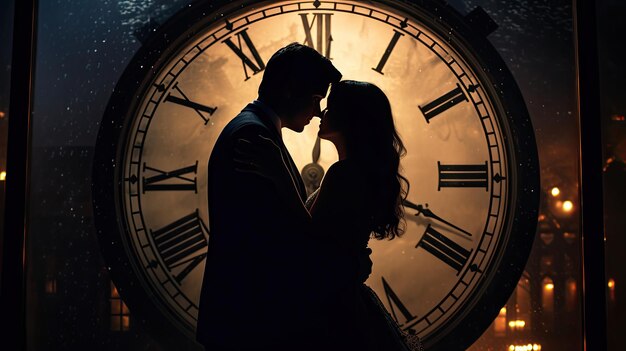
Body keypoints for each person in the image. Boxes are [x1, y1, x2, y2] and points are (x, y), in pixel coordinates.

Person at [236, 80, 423, 350]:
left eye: (331, 107)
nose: (321, 112)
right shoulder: (357, 173)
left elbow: (310, 237)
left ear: (349, 118)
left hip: (328, 313)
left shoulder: (344, 174)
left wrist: (279, 175)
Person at [196, 42, 349, 351]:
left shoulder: (252, 129)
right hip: (255, 319)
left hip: (247, 316)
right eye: (316, 98)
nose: (318, 112)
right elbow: (276, 235)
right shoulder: (254, 136)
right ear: (291, 90)